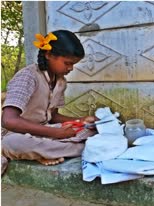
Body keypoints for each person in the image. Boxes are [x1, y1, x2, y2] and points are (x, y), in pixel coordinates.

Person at [2, 30, 98, 167]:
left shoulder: (60, 82)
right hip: (15, 134)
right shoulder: (28, 76)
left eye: (73, 64)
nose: (71, 68)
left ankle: (47, 152)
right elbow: (9, 121)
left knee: (91, 130)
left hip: (44, 132)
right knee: (13, 143)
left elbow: (53, 116)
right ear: (48, 55)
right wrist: (56, 132)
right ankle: (78, 149)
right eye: (67, 63)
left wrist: (81, 120)